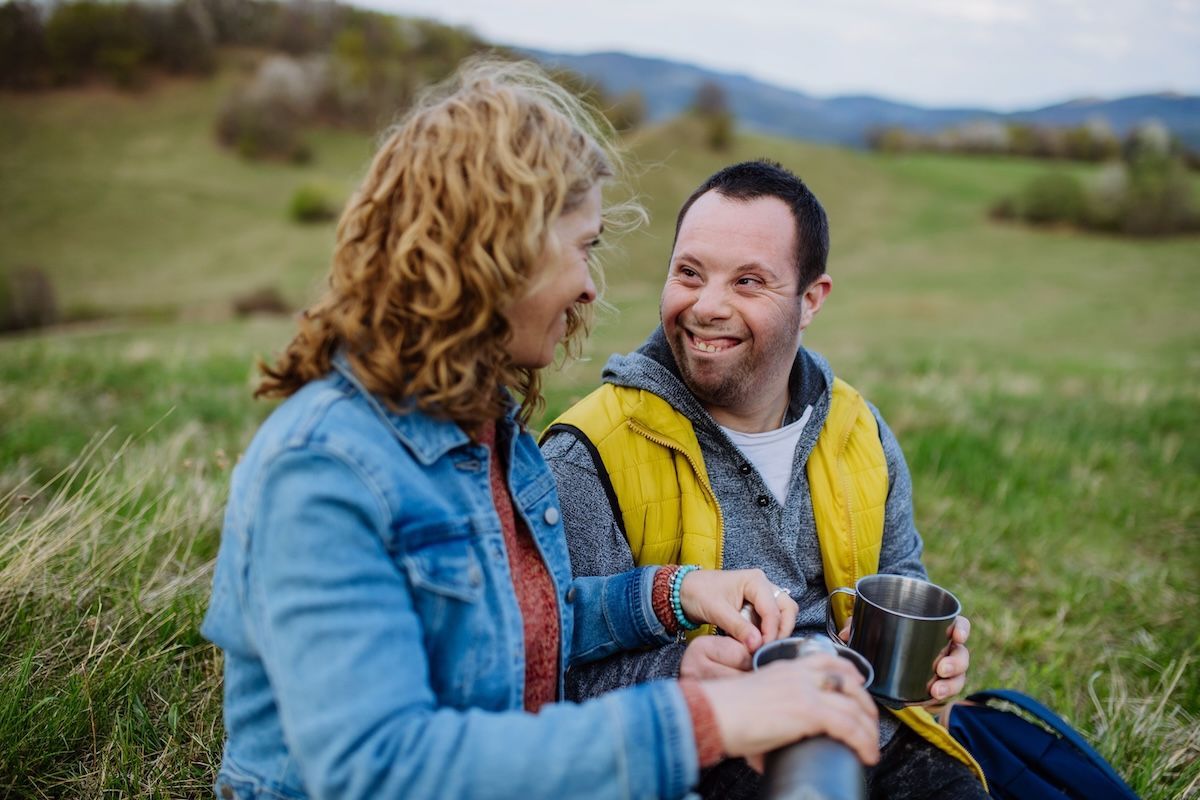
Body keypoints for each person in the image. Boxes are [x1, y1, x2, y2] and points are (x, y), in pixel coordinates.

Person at [200, 64, 884, 800]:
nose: (592, 286)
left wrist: (680, 594)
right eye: (582, 246)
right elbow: (384, 766)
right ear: (498, 255)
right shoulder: (323, 470)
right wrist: (708, 718)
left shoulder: (484, 434)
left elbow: (524, 627)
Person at [541, 159, 989, 799]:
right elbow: (551, 665)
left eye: (749, 282)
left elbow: (902, 579)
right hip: (710, 756)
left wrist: (934, 661)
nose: (707, 306)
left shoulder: (859, 430)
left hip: (876, 736)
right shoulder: (587, 454)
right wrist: (673, 672)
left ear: (811, 300)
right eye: (689, 273)